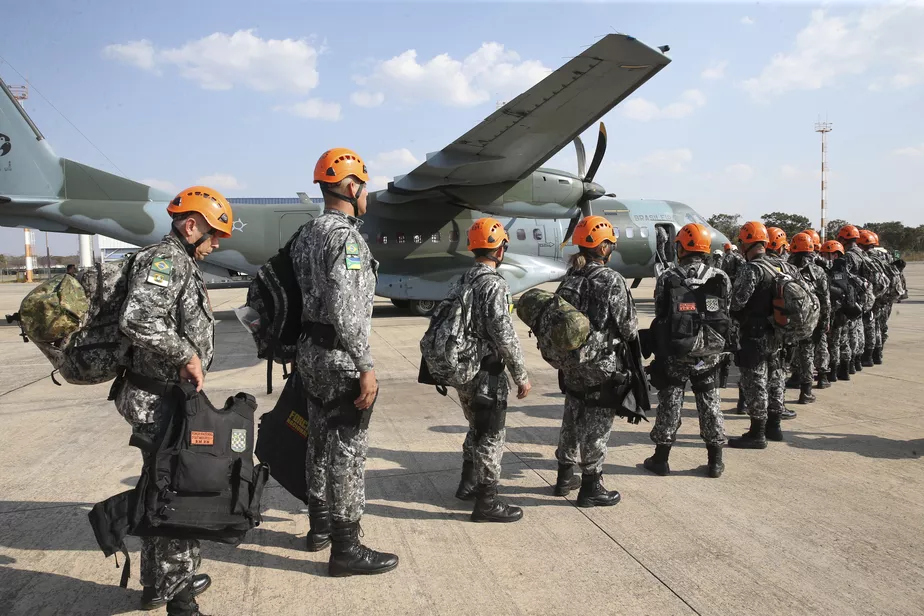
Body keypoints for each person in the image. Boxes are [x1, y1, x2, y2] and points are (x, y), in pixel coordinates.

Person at [115, 185, 233, 614]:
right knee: (177, 492)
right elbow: (139, 316)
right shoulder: (166, 260)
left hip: (162, 395)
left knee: (163, 485)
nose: (217, 244)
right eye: (214, 235)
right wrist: (186, 354)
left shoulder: (179, 260)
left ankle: (158, 583)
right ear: (191, 226)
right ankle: (181, 598)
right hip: (157, 399)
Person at [291, 148, 398, 577]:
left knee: (318, 440)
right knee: (348, 451)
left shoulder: (307, 233)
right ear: (351, 187)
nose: (367, 194)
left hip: (310, 354)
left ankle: (318, 526)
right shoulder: (345, 238)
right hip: (338, 357)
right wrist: (366, 365)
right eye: (365, 185)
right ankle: (346, 547)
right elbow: (347, 308)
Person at [553, 216, 638, 506]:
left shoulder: (570, 277)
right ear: (602, 248)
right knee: (597, 424)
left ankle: (564, 475)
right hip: (601, 364)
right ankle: (591, 487)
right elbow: (628, 327)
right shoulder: (611, 280)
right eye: (610, 244)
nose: (611, 249)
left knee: (572, 413)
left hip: (571, 362)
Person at [451, 217, 531, 522]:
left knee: (475, 426)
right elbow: (504, 333)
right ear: (500, 249)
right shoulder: (495, 284)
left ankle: (467, 483)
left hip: (464, 368)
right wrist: (520, 374)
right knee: (491, 435)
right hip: (488, 371)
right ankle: (486, 502)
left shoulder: (464, 279)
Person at [644, 223, 731, 478]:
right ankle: (715, 461)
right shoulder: (720, 276)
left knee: (671, 402)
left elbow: (660, 311)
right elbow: (728, 310)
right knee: (710, 403)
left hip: (677, 350)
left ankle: (661, 459)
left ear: (680, 247)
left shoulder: (669, 277)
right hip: (710, 351)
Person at [727, 221, 787, 449]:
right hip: (777, 333)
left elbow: (737, 302)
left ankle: (757, 433)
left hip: (755, 334)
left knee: (756, 382)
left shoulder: (752, 269)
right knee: (775, 379)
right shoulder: (779, 266)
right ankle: (775, 426)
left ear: (746, 243)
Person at [788, 233, 831, 401]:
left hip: (788, 317)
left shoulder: (786, 268)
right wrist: (825, 320)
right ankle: (806, 391)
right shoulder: (818, 270)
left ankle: (793, 378)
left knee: (787, 350)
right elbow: (825, 299)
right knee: (807, 352)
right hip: (810, 317)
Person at [821, 240, 851, 384]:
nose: (824, 257)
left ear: (834, 254)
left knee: (833, 343)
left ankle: (832, 373)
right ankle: (844, 371)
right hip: (845, 311)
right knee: (843, 342)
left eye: (826, 254)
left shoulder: (835, 270)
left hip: (836, 311)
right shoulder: (845, 268)